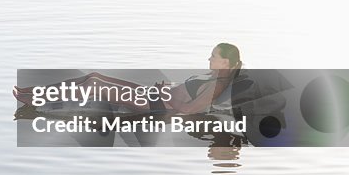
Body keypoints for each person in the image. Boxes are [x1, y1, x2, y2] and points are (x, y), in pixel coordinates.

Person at [13, 43, 243, 114]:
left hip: (156, 104)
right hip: (156, 94)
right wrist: (167, 88)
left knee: (95, 85)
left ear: (225, 63)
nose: (209, 59)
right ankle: (35, 91)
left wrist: (168, 97)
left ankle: (37, 101)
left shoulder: (216, 85)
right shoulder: (210, 76)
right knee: (94, 76)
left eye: (214, 57)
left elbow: (189, 110)